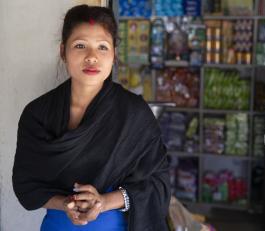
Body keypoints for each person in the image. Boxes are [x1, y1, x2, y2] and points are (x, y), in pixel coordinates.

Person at [12, 4, 170, 231]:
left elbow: (157, 183)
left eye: (102, 47)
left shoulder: (134, 113)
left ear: (114, 54)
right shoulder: (38, 114)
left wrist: (104, 202)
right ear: (62, 51)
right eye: (80, 45)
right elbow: (27, 186)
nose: (92, 57)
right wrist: (66, 203)